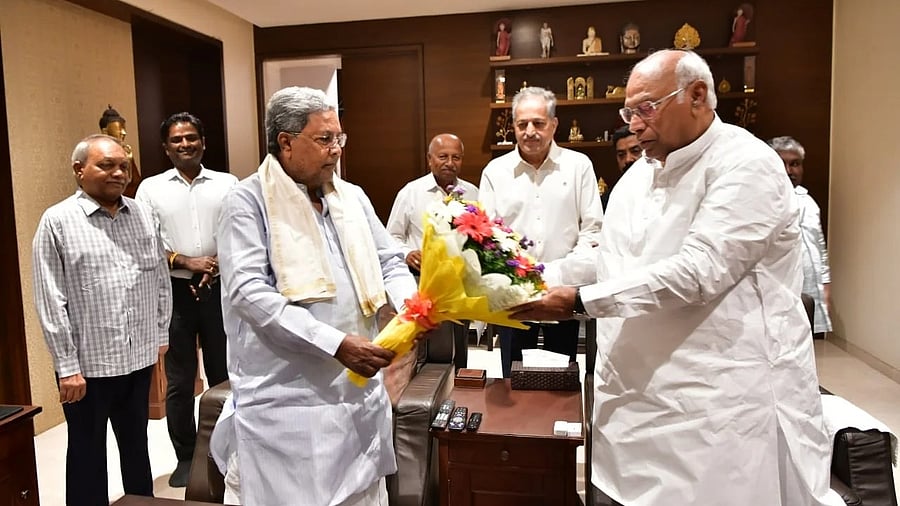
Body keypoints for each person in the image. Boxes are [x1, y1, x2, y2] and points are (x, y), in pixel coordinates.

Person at [508, 50, 838, 506]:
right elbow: (611, 258)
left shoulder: (746, 164)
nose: (635, 124)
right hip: (633, 393)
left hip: (715, 400)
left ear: (697, 95)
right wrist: (527, 278)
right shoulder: (637, 177)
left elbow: (699, 271)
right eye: (628, 111)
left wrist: (577, 302)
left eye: (646, 108)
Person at [216, 86, 418, 505]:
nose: (336, 150)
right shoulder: (247, 201)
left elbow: (391, 261)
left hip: (357, 390)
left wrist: (411, 308)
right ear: (286, 143)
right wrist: (336, 344)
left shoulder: (351, 197)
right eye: (324, 139)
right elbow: (249, 293)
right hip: (289, 402)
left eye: (339, 138)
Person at [32, 134, 172, 505]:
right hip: (87, 367)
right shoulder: (58, 221)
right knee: (87, 453)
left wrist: (160, 335)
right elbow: (50, 299)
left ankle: (141, 500)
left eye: (123, 166)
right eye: (106, 165)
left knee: (137, 447)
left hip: (138, 359)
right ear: (80, 170)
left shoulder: (143, 214)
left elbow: (159, 278)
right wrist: (66, 367)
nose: (118, 173)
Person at [134, 112, 237, 487]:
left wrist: (216, 263)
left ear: (203, 142)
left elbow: (241, 231)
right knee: (179, 381)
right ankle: (185, 456)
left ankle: (227, 451)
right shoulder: (150, 189)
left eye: (191, 138)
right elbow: (145, 243)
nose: (185, 145)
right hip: (174, 291)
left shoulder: (228, 184)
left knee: (223, 374)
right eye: (176, 140)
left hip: (220, 288)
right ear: (166, 147)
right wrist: (184, 261)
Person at [479, 86, 603, 378]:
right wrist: (517, 278)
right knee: (513, 378)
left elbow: (593, 231)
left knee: (560, 379)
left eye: (538, 123)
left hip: (562, 295)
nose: (530, 131)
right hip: (513, 297)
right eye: (522, 124)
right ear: (513, 126)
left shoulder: (578, 167)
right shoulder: (495, 172)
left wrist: (561, 276)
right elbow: (486, 237)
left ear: (554, 125)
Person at [386, 133, 478, 368]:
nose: (450, 162)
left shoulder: (473, 194)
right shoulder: (411, 192)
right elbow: (391, 237)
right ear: (429, 159)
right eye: (443, 156)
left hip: (459, 285)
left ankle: (459, 387)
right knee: (423, 349)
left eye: (456, 157)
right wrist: (407, 253)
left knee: (458, 346)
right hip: (422, 283)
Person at [768, 135, 832, 338]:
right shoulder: (762, 200)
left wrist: (826, 286)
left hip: (810, 289)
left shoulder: (809, 202)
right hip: (778, 289)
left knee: (808, 344)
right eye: (782, 163)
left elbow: (819, 247)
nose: (789, 171)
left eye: (795, 164)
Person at [99, 105, 142, 197]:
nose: (124, 133)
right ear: (105, 131)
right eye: (119, 129)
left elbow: (134, 181)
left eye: (124, 129)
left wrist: (129, 160)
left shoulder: (126, 151)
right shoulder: (98, 154)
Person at [602, 125, 642, 209]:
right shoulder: (610, 198)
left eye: (635, 151)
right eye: (621, 155)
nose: (628, 159)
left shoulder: (664, 189)